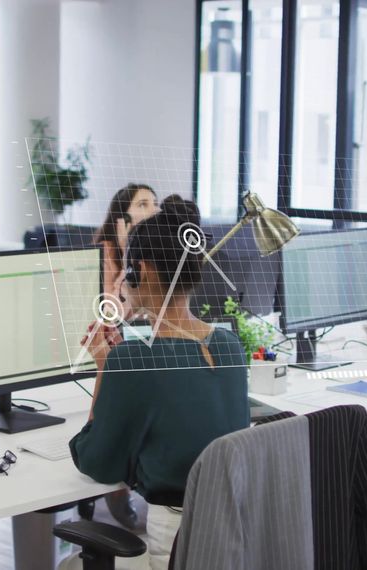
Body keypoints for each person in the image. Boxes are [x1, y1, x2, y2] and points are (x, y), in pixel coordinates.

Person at [71, 195, 250, 569]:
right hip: (232, 541)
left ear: (144, 272)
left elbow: (96, 463)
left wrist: (105, 367)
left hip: (174, 547)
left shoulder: (134, 360)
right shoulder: (230, 347)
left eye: (129, 270)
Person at [87, 182, 161, 530]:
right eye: (143, 203)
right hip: (102, 351)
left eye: (154, 203)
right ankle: (116, 491)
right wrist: (128, 251)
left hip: (134, 351)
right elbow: (110, 314)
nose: (153, 209)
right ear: (122, 218)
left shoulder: (152, 253)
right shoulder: (103, 253)